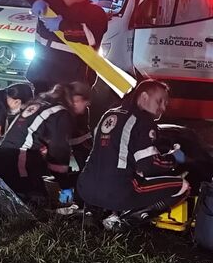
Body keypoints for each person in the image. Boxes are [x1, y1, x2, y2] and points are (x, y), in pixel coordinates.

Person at [76, 80, 190, 231]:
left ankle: (91, 213)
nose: (162, 108)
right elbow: (149, 165)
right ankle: (127, 220)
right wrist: (175, 157)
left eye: (165, 104)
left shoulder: (109, 114)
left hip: (85, 188)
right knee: (183, 186)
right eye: (159, 101)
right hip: (117, 192)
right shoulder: (143, 121)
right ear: (144, 97)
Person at [0, 82, 91, 203]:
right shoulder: (61, 113)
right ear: (77, 99)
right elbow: (58, 150)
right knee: (33, 202)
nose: (83, 111)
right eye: (85, 105)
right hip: (17, 161)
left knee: (14, 203)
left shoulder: (44, 105)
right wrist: (65, 185)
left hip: (2, 156)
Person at [25, 0, 109, 94]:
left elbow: (89, 37)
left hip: (72, 86)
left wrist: (62, 25)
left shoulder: (95, 13)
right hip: (40, 77)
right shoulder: (52, 1)